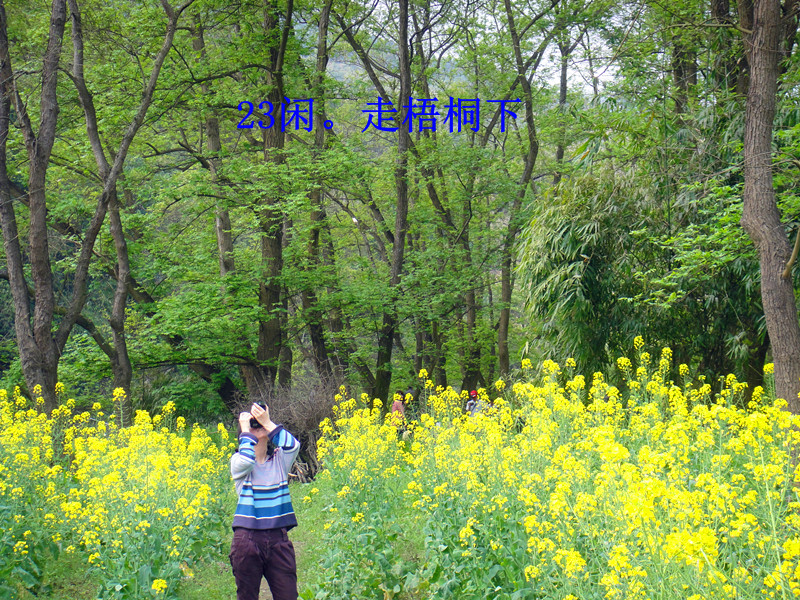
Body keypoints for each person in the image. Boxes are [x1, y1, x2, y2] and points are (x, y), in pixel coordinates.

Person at [230, 402, 301, 600]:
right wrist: (246, 428)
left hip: (278, 538)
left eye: (259, 424)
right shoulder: (238, 462)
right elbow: (247, 460)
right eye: (255, 425)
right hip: (247, 539)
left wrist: (267, 422)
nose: (258, 426)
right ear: (243, 437)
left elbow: (293, 445)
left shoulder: (279, 461)